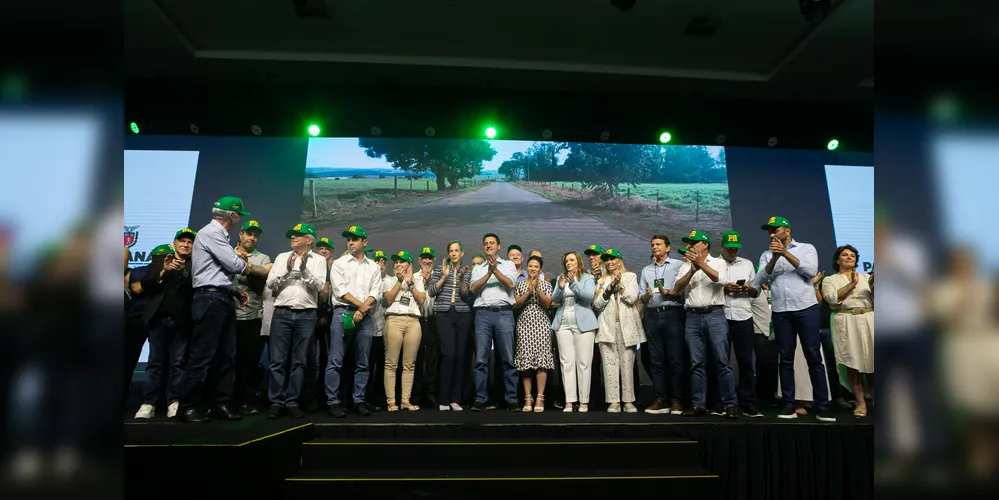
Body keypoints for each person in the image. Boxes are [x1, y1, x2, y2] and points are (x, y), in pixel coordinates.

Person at [177, 197, 252, 423]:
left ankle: (219, 403)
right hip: (210, 299)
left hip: (221, 298)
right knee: (202, 355)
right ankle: (187, 406)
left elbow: (222, 270)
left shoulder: (219, 235)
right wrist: (242, 261)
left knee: (225, 356)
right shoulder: (211, 233)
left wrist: (234, 290)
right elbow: (233, 265)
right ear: (232, 215)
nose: (240, 219)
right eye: (239, 215)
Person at [754, 216, 836, 422]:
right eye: (769, 231)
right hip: (781, 311)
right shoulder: (766, 254)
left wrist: (786, 254)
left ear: (787, 230)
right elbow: (760, 279)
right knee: (786, 359)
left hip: (805, 308)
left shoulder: (806, 248)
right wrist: (774, 258)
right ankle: (789, 405)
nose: (771, 234)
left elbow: (809, 272)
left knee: (814, 357)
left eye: (775, 229)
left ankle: (822, 406)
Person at [263, 223, 326, 419]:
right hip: (282, 312)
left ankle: (291, 401)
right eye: (292, 235)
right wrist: (287, 270)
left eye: (298, 235)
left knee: (299, 362)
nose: (293, 238)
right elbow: (270, 283)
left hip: (307, 314)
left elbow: (319, 286)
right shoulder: (282, 257)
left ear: (310, 239)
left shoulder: (319, 260)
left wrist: (305, 269)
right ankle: (276, 402)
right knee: (277, 361)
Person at [673, 230, 738, 419]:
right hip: (692, 317)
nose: (690, 245)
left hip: (714, 315)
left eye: (694, 242)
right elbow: (677, 288)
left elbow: (722, 281)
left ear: (705, 244)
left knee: (722, 362)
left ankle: (730, 404)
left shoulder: (718, 262)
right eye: (689, 242)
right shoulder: (686, 265)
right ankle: (698, 404)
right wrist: (692, 269)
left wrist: (701, 264)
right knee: (696, 363)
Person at [134, 235, 194, 420]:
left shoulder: (196, 264)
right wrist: (163, 271)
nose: (185, 244)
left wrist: (184, 272)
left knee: (178, 364)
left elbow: (196, 288)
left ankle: (174, 402)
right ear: (174, 244)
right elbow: (145, 284)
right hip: (158, 319)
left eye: (190, 242)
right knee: (154, 363)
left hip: (182, 321)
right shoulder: (160, 259)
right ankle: (148, 403)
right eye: (182, 241)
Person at [325, 225, 382, 418]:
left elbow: (376, 291)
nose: (350, 242)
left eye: (355, 239)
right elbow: (339, 289)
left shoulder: (373, 266)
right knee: (335, 360)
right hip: (343, 313)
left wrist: (363, 308)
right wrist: (361, 306)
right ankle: (333, 402)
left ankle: (359, 400)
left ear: (364, 243)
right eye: (348, 239)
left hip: (364, 317)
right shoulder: (339, 263)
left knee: (363, 362)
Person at [821, 245, 874, 417]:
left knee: (873, 362)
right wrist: (852, 284)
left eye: (852, 255)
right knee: (852, 362)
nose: (849, 257)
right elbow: (831, 299)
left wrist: (874, 286)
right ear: (837, 260)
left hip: (868, 319)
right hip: (845, 321)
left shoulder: (867, 277)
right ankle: (860, 403)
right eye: (845, 255)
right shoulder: (830, 279)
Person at [468, 233, 519, 412]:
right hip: (482, 315)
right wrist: (488, 271)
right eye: (486, 244)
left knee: (507, 359)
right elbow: (473, 288)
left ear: (499, 246)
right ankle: (480, 398)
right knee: (481, 360)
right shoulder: (478, 267)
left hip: (503, 314)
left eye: (492, 243)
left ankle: (511, 399)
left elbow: (510, 284)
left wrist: (495, 270)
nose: (488, 246)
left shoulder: (508, 264)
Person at [637, 234, 686, 415]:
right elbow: (641, 296)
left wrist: (670, 293)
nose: (654, 247)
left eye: (658, 244)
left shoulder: (678, 266)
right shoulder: (646, 270)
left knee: (675, 360)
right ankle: (660, 399)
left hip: (673, 314)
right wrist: (647, 296)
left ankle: (676, 401)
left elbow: (685, 291)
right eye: (652, 244)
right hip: (652, 316)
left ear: (668, 247)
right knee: (656, 361)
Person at [593, 248, 645, 413]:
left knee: (627, 364)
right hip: (607, 327)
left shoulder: (630, 276)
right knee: (609, 365)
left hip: (627, 327)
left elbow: (632, 298)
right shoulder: (601, 280)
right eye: (607, 260)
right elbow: (598, 304)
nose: (609, 262)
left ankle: (628, 401)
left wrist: (620, 284)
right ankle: (614, 401)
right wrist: (610, 287)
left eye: (612, 259)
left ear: (620, 261)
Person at [720, 231, 764, 418]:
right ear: (721, 247)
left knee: (746, 362)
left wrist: (748, 288)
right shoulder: (715, 264)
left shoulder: (746, 264)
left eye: (735, 248)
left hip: (743, 316)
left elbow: (756, 292)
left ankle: (748, 402)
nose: (732, 251)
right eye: (729, 248)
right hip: (720, 316)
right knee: (721, 362)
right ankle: (722, 402)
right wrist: (724, 288)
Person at [232, 220, 273, 415]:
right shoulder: (227, 253)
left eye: (255, 235)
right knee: (228, 360)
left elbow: (263, 275)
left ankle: (246, 401)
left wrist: (245, 265)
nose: (252, 237)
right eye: (249, 233)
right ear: (240, 234)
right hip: (228, 315)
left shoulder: (263, 258)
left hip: (253, 316)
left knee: (249, 361)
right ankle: (225, 399)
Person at [428, 241, 474, 411]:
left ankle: (455, 399)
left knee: (461, 356)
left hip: (463, 314)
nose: (454, 253)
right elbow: (431, 292)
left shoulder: (469, 272)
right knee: (449, 355)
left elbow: (469, 296)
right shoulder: (440, 270)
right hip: (444, 315)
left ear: (462, 253)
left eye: (457, 251)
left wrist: (462, 279)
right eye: (451, 251)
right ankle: (443, 399)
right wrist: (444, 277)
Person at [551, 251, 597, 413]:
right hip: (563, 323)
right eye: (566, 261)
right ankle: (570, 401)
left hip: (583, 323)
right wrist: (561, 287)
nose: (568, 263)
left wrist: (574, 283)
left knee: (583, 363)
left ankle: (584, 401)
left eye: (571, 260)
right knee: (566, 362)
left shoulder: (587, 278)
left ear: (578, 262)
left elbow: (588, 296)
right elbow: (555, 299)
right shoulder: (560, 278)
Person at [382, 251, 427, 411]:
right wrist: (399, 282)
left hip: (413, 321)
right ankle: (391, 401)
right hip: (394, 320)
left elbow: (421, 300)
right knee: (391, 363)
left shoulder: (418, 280)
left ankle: (405, 400)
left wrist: (410, 284)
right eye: (396, 262)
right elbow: (388, 300)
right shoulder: (389, 280)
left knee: (409, 364)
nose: (398, 264)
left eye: (402, 262)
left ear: (409, 265)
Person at [513, 255, 555, 412]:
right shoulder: (520, 285)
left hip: (542, 324)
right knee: (526, 361)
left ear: (540, 269)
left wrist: (536, 289)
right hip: (524, 324)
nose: (532, 269)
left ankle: (540, 397)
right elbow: (516, 304)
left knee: (541, 361)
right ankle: (527, 397)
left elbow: (548, 303)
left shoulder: (546, 285)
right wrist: (528, 292)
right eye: (530, 266)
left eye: (536, 266)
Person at [414, 247, 440, 408]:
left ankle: (431, 394)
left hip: (433, 321)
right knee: (416, 359)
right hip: (416, 321)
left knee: (432, 360)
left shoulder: (439, 277)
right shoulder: (413, 277)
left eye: (430, 258)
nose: (427, 261)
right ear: (419, 260)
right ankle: (416, 394)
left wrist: (430, 282)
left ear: (434, 260)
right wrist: (422, 283)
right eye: (424, 258)